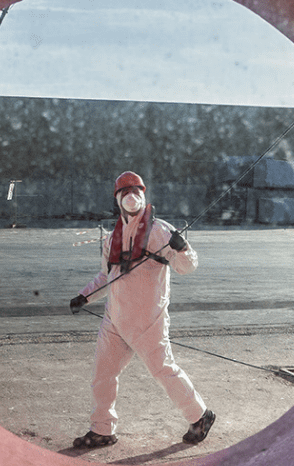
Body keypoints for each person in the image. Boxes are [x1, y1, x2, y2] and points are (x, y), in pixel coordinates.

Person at [68, 171, 215, 448]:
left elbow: (187, 267)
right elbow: (107, 277)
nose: (131, 196)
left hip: (148, 320)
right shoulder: (111, 238)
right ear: (117, 199)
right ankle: (102, 429)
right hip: (114, 319)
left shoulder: (160, 231)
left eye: (135, 191)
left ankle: (200, 416)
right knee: (102, 375)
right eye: (125, 192)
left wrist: (183, 249)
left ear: (143, 196)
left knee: (164, 371)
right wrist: (84, 296)